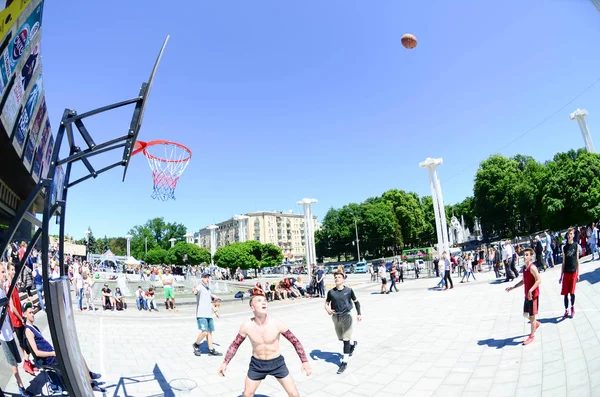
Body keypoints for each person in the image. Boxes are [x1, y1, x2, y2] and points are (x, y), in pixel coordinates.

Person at [217, 294, 312, 397]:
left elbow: (295, 341)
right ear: (252, 307)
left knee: (294, 394)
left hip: (277, 363)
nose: (263, 302)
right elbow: (235, 345)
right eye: (259, 301)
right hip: (257, 365)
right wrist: (225, 363)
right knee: (247, 394)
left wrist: (305, 362)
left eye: (265, 300)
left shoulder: (276, 323)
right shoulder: (247, 325)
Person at [23, 303, 105, 394]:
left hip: (52, 355)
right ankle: (90, 382)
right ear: (24, 314)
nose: (33, 314)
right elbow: (37, 353)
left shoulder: (34, 327)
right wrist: (53, 353)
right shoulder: (28, 330)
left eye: (33, 312)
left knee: (76, 353)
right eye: (30, 313)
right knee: (75, 358)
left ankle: (89, 376)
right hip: (50, 359)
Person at [0, 263, 34, 396]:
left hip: (8, 330)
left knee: (16, 359)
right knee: (13, 362)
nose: (4, 274)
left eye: (4, 272)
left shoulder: (3, 289)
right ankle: (21, 387)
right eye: (2, 272)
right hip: (3, 334)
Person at [325, 272, 362, 374]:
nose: (337, 279)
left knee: (345, 339)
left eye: (339, 277)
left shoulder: (349, 290)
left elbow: (356, 302)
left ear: (343, 279)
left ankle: (344, 362)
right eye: (335, 277)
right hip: (335, 317)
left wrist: (359, 313)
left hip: (346, 316)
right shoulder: (331, 292)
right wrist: (327, 309)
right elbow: (326, 303)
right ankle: (352, 345)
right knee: (341, 338)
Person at [4, 263, 37, 376]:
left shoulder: (15, 285)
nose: (13, 272)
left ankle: (27, 362)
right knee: (23, 342)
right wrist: (20, 317)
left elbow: (17, 302)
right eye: (12, 270)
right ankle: (26, 363)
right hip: (16, 319)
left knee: (24, 341)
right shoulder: (8, 285)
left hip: (19, 317)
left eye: (14, 269)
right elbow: (12, 306)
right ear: (8, 271)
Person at [505, 248, 541, 345]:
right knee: (525, 314)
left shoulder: (532, 268)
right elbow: (524, 281)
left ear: (531, 257)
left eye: (527, 255)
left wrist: (531, 290)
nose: (525, 257)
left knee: (532, 316)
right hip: (527, 296)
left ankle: (532, 336)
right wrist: (513, 287)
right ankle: (535, 323)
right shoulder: (524, 268)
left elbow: (539, 280)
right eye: (524, 255)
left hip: (533, 296)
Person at [192, 273, 223, 357]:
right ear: (202, 279)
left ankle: (211, 350)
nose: (207, 279)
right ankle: (196, 344)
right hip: (201, 314)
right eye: (205, 277)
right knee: (205, 332)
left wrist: (215, 312)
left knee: (209, 332)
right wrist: (194, 290)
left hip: (209, 314)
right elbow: (195, 292)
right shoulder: (200, 287)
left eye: (208, 277)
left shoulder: (208, 289)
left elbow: (209, 302)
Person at [560, 228, 580, 319]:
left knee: (572, 292)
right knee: (565, 293)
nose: (569, 235)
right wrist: (561, 276)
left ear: (573, 235)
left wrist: (578, 274)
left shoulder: (576, 246)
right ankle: (566, 310)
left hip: (573, 272)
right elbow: (563, 262)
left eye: (571, 234)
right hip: (566, 273)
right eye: (568, 234)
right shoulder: (564, 248)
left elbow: (577, 260)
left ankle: (572, 307)